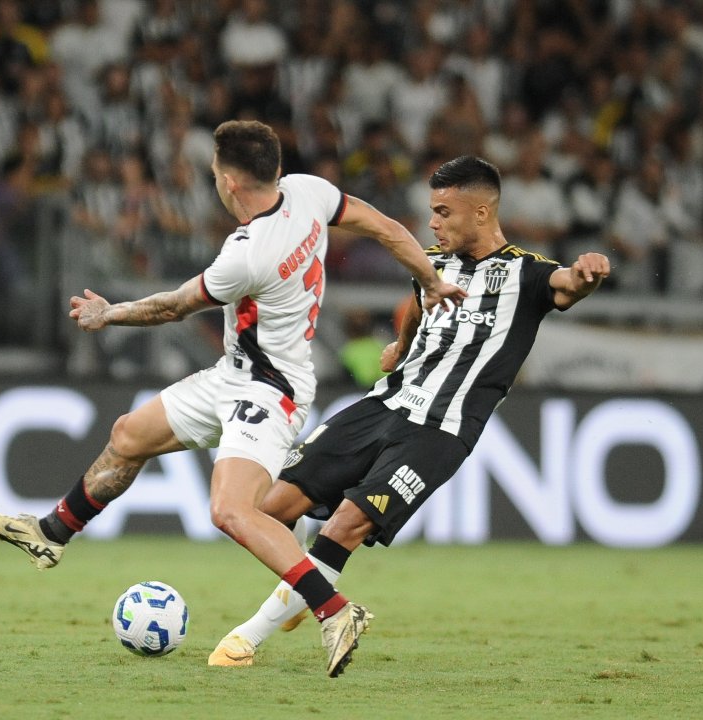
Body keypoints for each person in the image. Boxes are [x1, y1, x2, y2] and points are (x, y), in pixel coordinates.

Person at [0, 120, 466, 678]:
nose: (213, 181)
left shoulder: (247, 253)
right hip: (232, 374)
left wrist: (107, 313)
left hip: (270, 389)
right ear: (275, 170)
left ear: (230, 183)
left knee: (231, 510)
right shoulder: (309, 192)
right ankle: (50, 534)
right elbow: (384, 226)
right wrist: (429, 278)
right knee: (127, 436)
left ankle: (335, 611)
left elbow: (173, 308)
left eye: (213, 173)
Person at [206, 155, 610, 667]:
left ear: (482, 213)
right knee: (266, 510)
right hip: (383, 405)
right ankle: (305, 588)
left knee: (346, 526)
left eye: (444, 212)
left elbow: (570, 284)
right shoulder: (433, 263)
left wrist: (590, 272)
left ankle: (247, 639)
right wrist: (401, 347)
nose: (434, 223)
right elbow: (419, 306)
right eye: (432, 212)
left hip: (439, 432)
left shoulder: (527, 274)